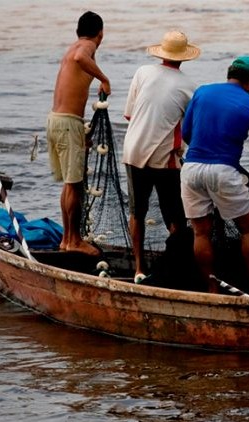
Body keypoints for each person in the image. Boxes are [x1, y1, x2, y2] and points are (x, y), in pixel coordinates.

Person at [180, 55, 249, 296]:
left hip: (191, 167)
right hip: (224, 171)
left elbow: (186, 132)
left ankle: (211, 288)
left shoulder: (202, 92)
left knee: (201, 232)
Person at [122, 30, 200, 283]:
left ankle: (138, 268)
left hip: (133, 150)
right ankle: (174, 266)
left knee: (137, 212)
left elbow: (131, 115)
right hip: (164, 158)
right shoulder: (189, 86)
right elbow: (189, 129)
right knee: (175, 216)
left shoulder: (142, 72)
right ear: (184, 57)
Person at [47, 11, 110, 256]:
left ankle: (67, 239)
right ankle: (74, 241)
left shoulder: (73, 46)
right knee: (75, 184)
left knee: (70, 185)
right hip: (66, 123)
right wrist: (104, 79)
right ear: (100, 34)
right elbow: (80, 57)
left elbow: (76, 59)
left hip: (56, 120)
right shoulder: (86, 46)